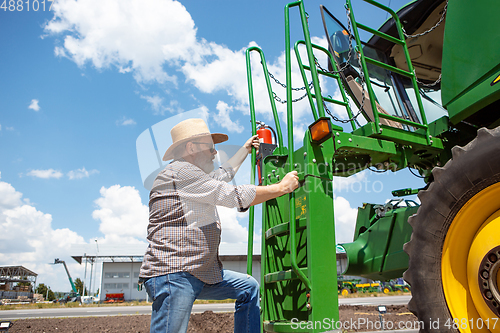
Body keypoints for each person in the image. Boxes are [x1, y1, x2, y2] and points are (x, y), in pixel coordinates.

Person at [139, 118, 299, 333]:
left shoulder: (191, 175)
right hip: (175, 273)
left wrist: (245, 149)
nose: (215, 153)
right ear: (192, 147)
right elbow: (231, 195)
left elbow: (222, 175)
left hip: (198, 271)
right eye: (211, 148)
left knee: (248, 287)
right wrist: (281, 188)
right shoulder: (181, 172)